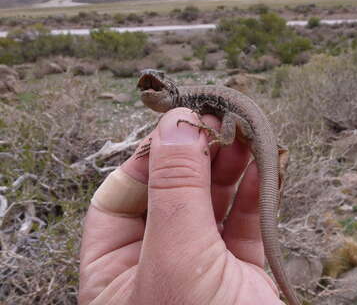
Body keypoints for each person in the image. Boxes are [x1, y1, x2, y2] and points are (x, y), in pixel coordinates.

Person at [78, 108, 284, 304]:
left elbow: (228, 117)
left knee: (226, 126)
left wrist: (221, 140)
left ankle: (235, 144)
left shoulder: (187, 111)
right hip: (252, 132)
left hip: (249, 129)